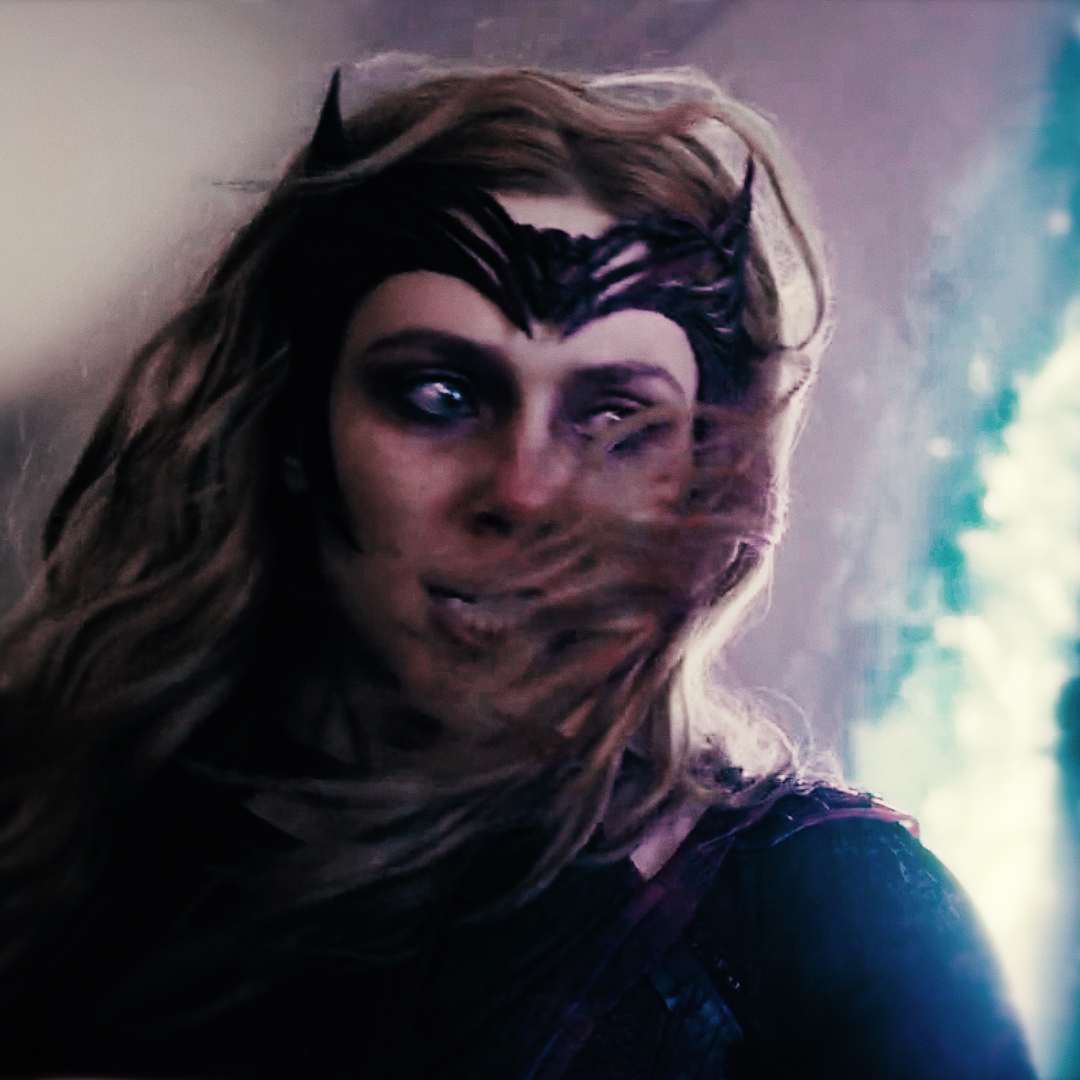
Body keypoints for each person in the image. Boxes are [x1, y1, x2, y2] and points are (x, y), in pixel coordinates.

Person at [0, 60, 1035, 1079]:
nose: (527, 490)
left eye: (616, 418)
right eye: (440, 396)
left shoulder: (827, 918)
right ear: (294, 426)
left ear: (706, 477)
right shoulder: (51, 831)